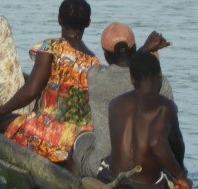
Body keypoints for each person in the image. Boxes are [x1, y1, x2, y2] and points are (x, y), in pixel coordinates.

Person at [0, 0, 100, 163]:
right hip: (78, 139)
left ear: (59, 19)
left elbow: (31, 90)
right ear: (88, 23)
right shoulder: (95, 62)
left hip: (49, 134)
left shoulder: (50, 48)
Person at [70, 22, 174, 177]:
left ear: (105, 54)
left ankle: (76, 188)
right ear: (134, 48)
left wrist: (145, 49)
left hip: (106, 166)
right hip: (152, 167)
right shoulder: (159, 82)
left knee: (81, 139)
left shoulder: (95, 76)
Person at [101, 52, 192, 189]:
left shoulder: (115, 104)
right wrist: (180, 175)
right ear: (159, 77)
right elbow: (164, 143)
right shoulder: (165, 106)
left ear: (132, 79)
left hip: (112, 180)